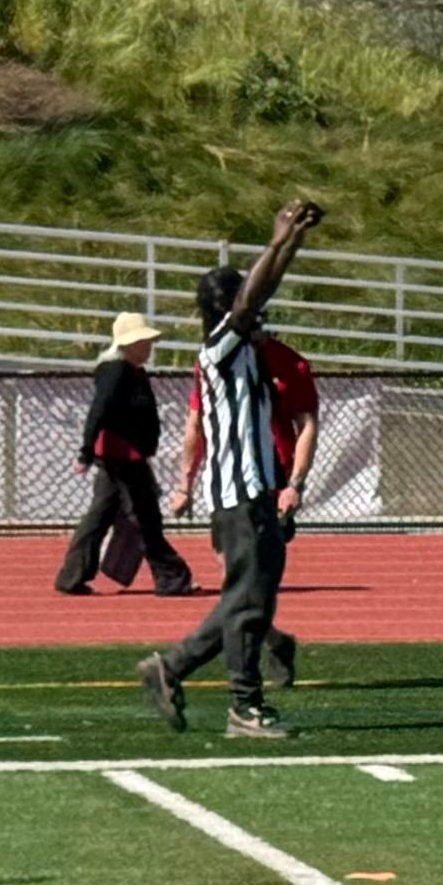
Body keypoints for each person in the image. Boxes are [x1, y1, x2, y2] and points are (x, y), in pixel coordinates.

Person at [137, 198, 321, 739]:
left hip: (252, 493)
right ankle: (243, 706)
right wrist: (276, 240)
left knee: (250, 599)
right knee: (248, 603)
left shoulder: (238, 349)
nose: (259, 307)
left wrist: (291, 243)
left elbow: (259, 294)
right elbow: (251, 300)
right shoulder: (221, 347)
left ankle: (169, 670)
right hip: (239, 496)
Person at [169, 328, 319, 687]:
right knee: (234, 580)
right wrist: (183, 484)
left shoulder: (289, 363)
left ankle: (222, 678)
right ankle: (274, 642)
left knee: (248, 582)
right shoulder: (216, 358)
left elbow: (307, 425)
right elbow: (196, 424)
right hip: (227, 485)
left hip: (269, 484)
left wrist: (294, 484)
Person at [54, 310, 193, 597]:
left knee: (101, 515)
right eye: (143, 342)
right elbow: (99, 410)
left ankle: (72, 575)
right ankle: (172, 577)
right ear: (127, 344)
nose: (148, 347)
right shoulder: (115, 371)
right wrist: (85, 452)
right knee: (145, 516)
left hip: (124, 456)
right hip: (122, 456)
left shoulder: (130, 371)